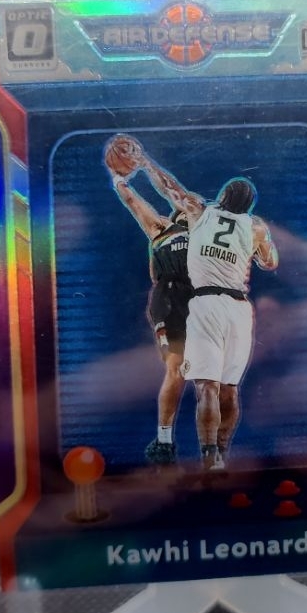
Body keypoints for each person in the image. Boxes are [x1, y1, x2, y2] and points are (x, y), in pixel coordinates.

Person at [140, 156, 278, 471]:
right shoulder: (255, 227)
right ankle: (222, 454)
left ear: (223, 196)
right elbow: (270, 263)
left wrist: (146, 164)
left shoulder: (200, 211)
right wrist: (261, 246)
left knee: (207, 387)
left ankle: (208, 457)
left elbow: (170, 188)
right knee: (230, 390)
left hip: (206, 303)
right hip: (239, 308)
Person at [107, 149, 192, 467]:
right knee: (176, 368)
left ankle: (214, 444)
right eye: (184, 208)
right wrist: (119, 179)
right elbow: (133, 202)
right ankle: (164, 442)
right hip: (170, 298)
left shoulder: (204, 229)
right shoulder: (160, 228)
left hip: (203, 300)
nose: (190, 208)